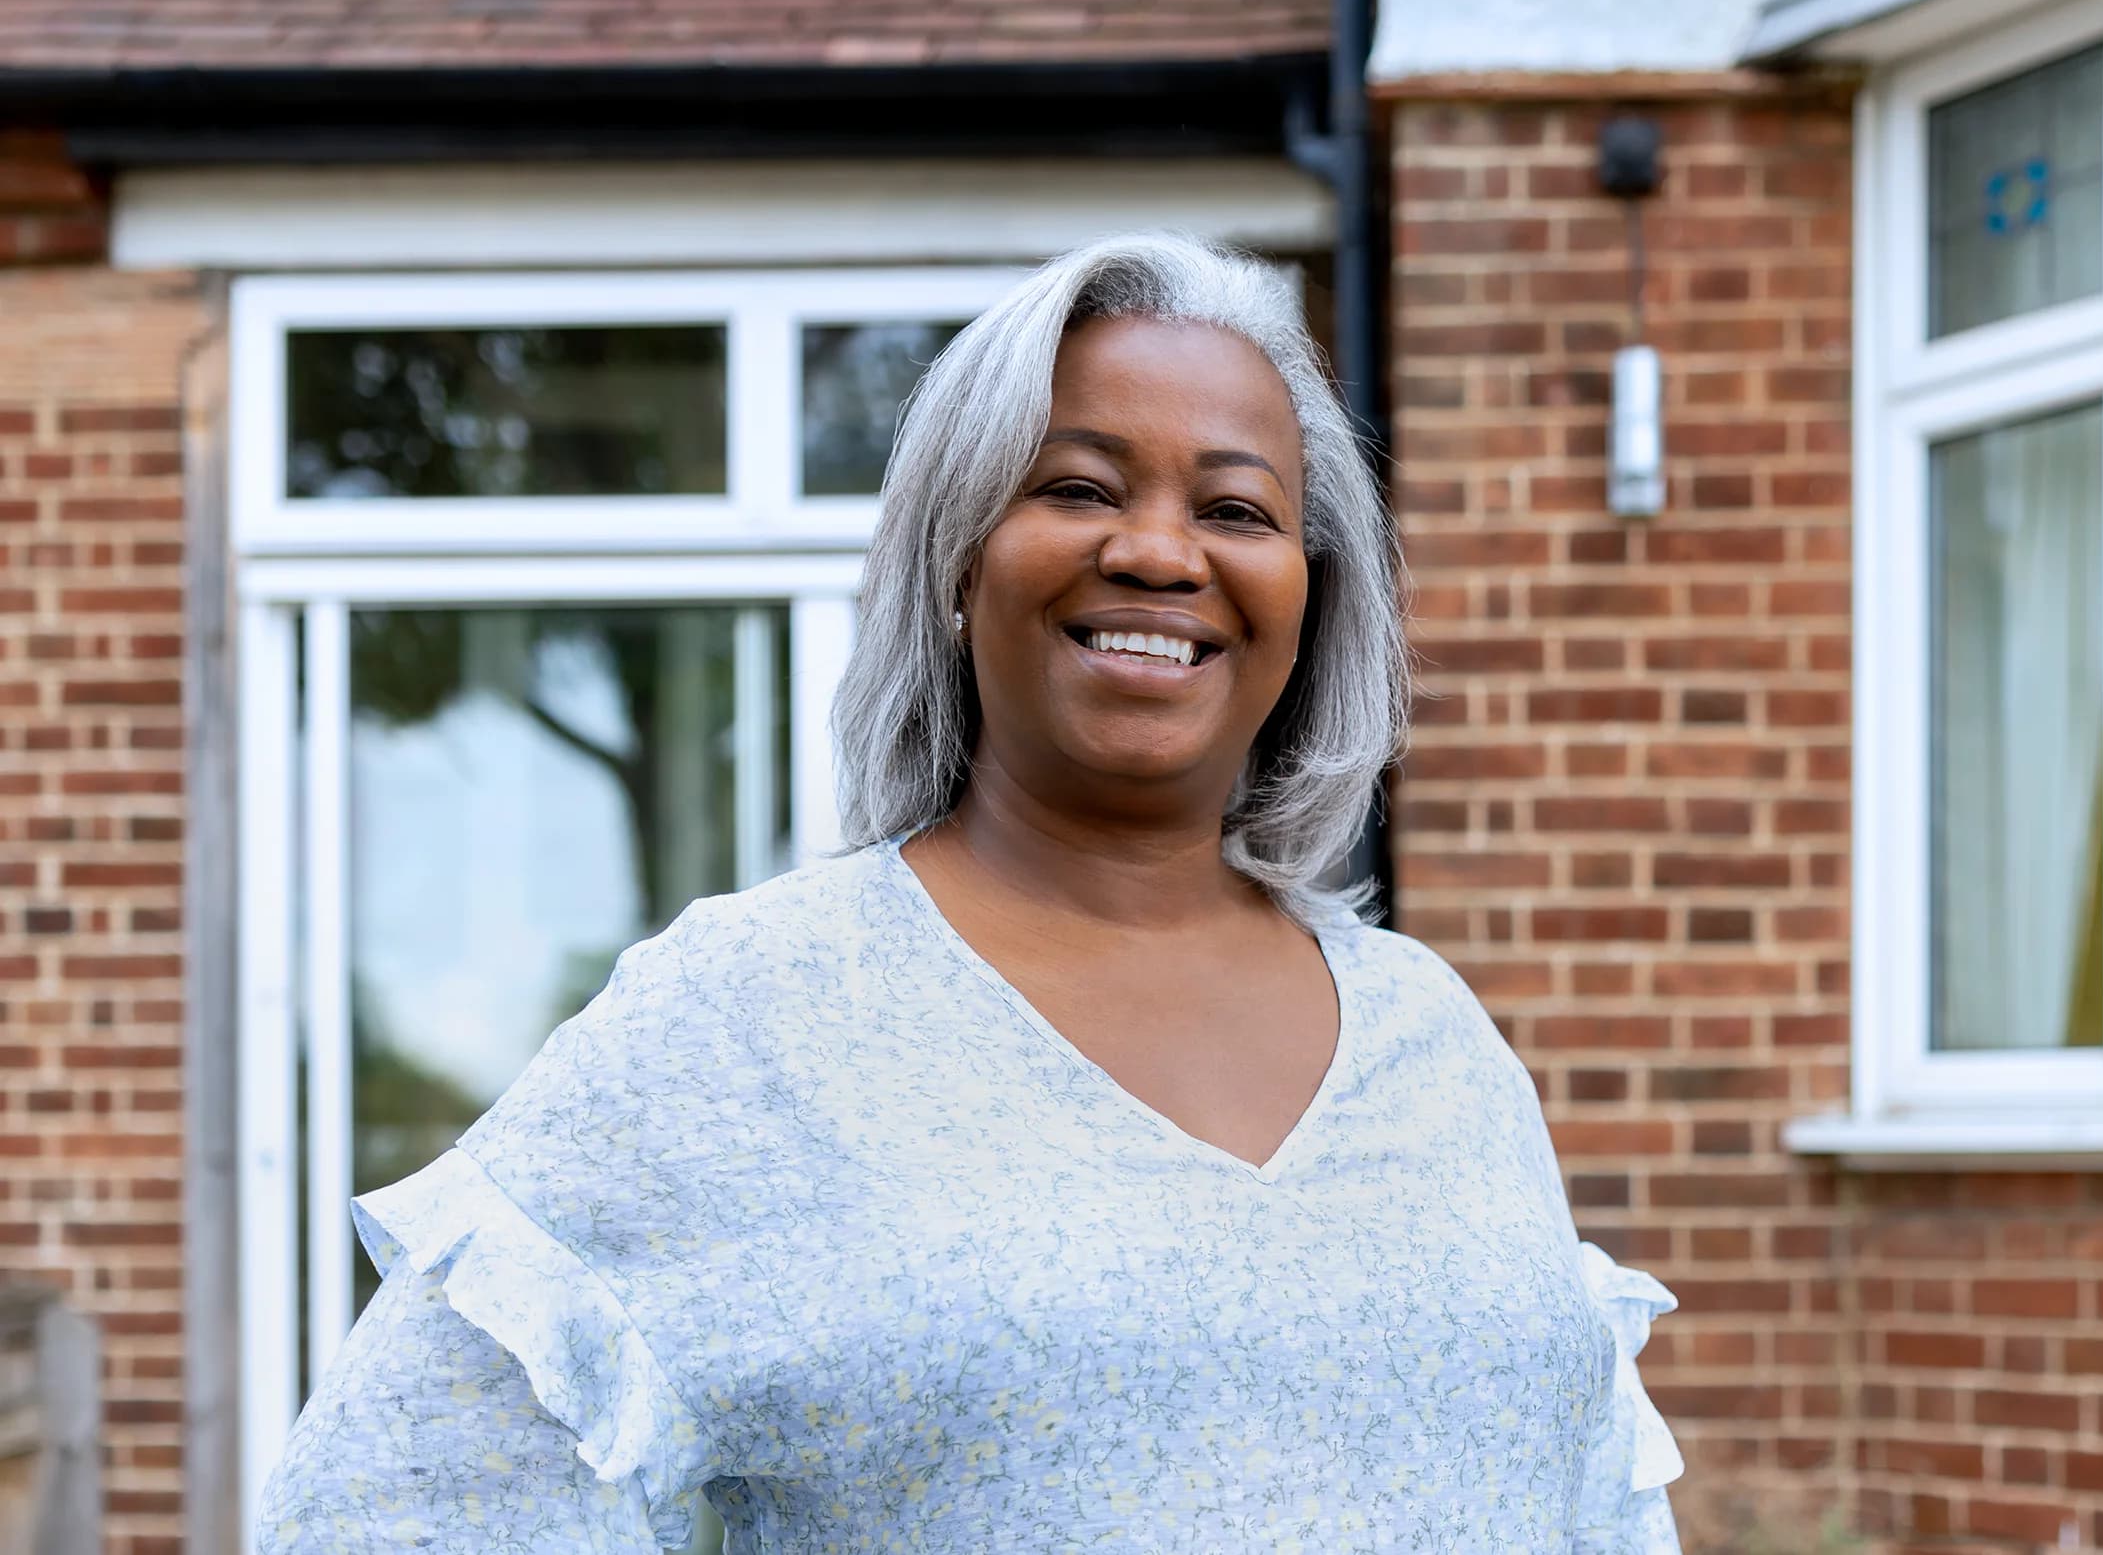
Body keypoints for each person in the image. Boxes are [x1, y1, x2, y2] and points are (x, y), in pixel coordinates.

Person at [256, 232, 1684, 1552]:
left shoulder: (1434, 1040)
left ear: (1310, 593)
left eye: (1237, 508)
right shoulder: (752, 1016)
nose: (1161, 552)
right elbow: (394, 1510)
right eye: (1077, 487)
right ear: (955, 557)